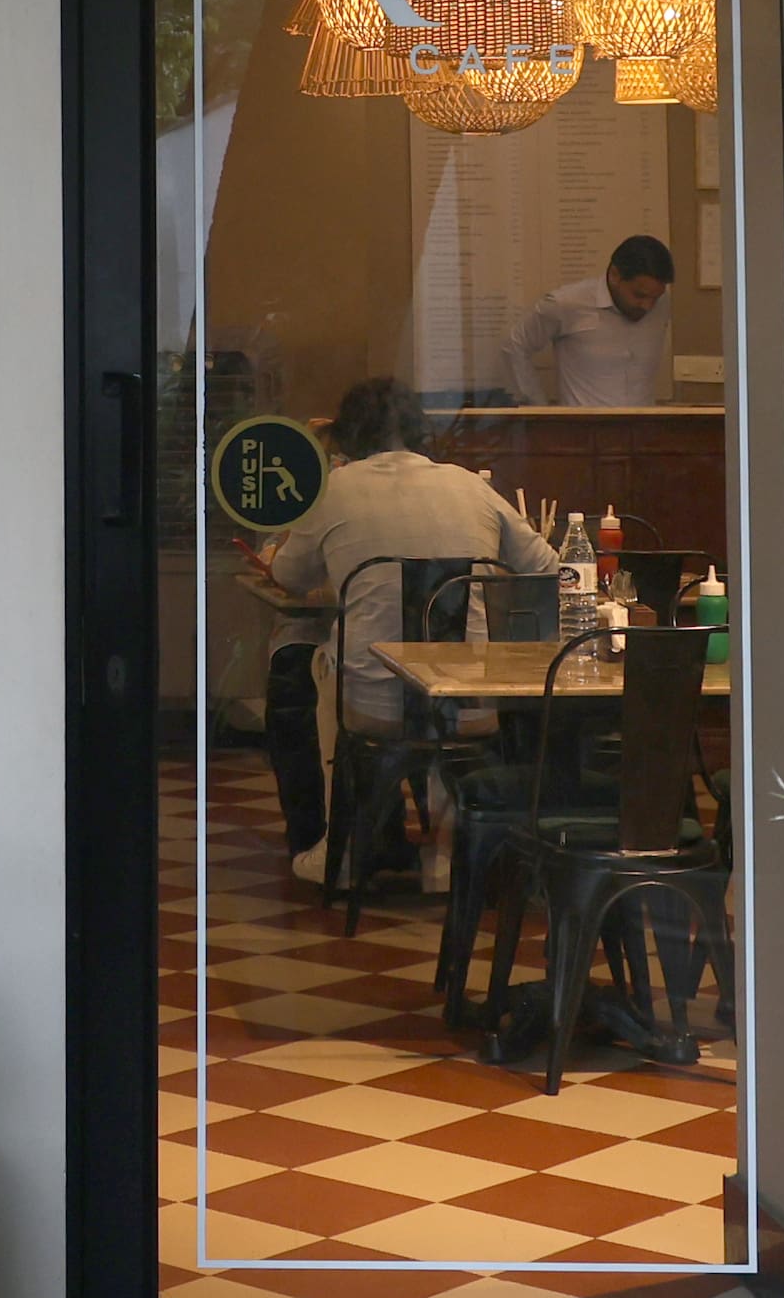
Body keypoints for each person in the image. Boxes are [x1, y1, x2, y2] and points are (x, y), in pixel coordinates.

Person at [243, 377, 549, 888]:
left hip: (375, 702)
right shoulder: (470, 485)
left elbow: (291, 576)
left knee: (314, 662)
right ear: (419, 429)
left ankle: (343, 848)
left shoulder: (333, 489)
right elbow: (547, 566)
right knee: (442, 692)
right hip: (468, 701)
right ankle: (450, 856)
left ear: (347, 435)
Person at [512, 233, 678, 405]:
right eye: (639, 295)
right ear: (615, 275)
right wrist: (539, 408)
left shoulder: (662, 304)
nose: (648, 306)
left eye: (655, 297)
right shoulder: (567, 303)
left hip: (645, 420)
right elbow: (516, 345)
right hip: (585, 421)